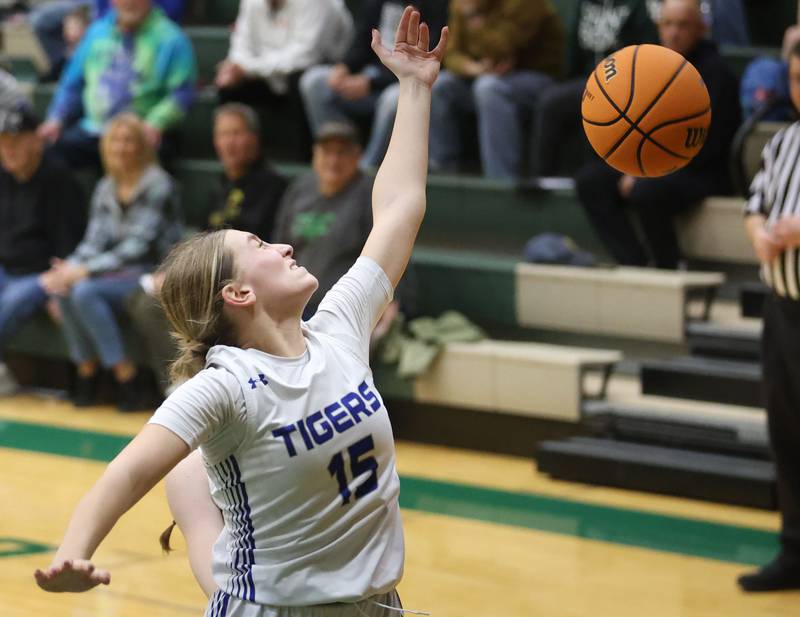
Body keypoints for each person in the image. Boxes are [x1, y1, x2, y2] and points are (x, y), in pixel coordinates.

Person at [34, 10, 448, 617]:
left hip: (378, 604)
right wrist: (74, 550)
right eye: (260, 246)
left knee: (199, 494)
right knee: (185, 482)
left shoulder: (339, 326)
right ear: (238, 295)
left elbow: (400, 207)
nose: (282, 245)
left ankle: (203, 499)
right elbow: (124, 473)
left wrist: (414, 88)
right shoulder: (226, 386)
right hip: (277, 611)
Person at [125, 102, 289, 397]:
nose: (230, 142)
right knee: (145, 298)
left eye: (237, 133)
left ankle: (194, 389)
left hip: (243, 280)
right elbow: (202, 240)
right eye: (223, 134)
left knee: (156, 304)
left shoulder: (272, 185)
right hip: (212, 275)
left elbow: (259, 244)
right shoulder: (220, 186)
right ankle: (180, 386)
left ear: (254, 138)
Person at [574, 0, 739, 269]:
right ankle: (634, 263)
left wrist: (644, 171)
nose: (674, 32)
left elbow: (710, 145)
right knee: (590, 180)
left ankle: (668, 266)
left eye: (683, 25)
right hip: (651, 162)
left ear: (701, 29)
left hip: (701, 171)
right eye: (668, 24)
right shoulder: (647, 66)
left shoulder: (717, 72)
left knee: (645, 190)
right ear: (658, 27)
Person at [40, 112, 181, 411]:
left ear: (143, 146)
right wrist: (67, 269)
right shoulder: (106, 186)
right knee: (65, 288)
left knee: (84, 290)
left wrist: (84, 270)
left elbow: (137, 246)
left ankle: (123, 375)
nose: (122, 147)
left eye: (129, 140)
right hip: (114, 271)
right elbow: (94, 240)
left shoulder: (159, 184)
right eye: (116, 140)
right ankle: (87, 369)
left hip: (154, 272)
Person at [737, 40, 800, 594]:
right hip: (781, 311)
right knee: (786, 435)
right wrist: (761, 234)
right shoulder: (783, 142)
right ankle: (794, 550)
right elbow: (755, 207)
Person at [0, 73, 87, 395]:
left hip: (41, 274)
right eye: (3, 143)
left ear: (36, 139)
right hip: (6, 268)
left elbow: (69, 241)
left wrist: (57, 284)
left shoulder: (58, 178)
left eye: (15, 141)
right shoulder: (4, 177)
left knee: (13, 299)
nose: (7, 150)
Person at [38, 0, 197, 169]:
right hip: (95, 130)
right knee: (47, 151)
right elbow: (71, 85)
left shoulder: (171, 38)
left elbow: (182, 93)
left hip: (143, 133)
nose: (129, 3)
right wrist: (56, 118)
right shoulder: (96, 33)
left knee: (144, 154)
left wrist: (156, 122)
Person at [299, 0, 448, 168]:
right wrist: (344, 67)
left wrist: (371, 83)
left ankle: (366, 166)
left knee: (392, 99)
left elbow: (428, 63)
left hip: (404, 81)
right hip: (368, 76)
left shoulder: (436, 5)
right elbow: (363, 38)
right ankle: (342, 148)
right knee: (315, 81)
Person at [428, 0, 563, 179]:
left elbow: (501, 49)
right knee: (440, 85)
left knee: (489, 88)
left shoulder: (523, 3)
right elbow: (450, 55)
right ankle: (443, 178)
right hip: (483, 74)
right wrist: (475, 69)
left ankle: (500, 184)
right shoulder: (464, 3)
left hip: (536, 79)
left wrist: (472, 16)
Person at [534, 0, 658, 177]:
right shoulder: (583, 4)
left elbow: (648, 49)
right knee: (551, 102)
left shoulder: (635, 5)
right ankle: (544, 179)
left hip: (625, 82)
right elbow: (572, 49)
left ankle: (596, 177)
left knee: (598, 105)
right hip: (586, 79)